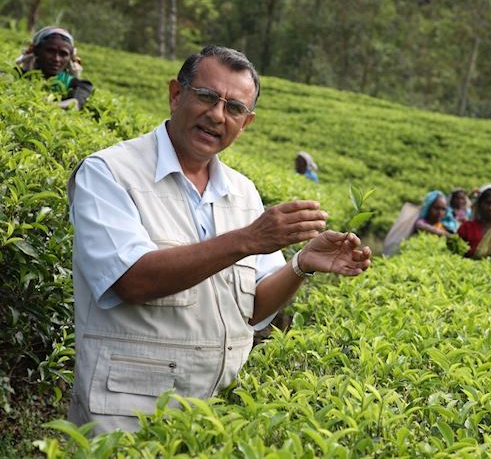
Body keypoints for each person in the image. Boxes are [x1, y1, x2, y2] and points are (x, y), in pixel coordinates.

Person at [66, 46, 372, 434]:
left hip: (210, 417)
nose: (217, 115)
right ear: (177, 94)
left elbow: (256, 306)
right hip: (125, 412)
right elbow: (131, 280)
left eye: (234, 108)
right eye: (206, 97)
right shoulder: (109, 173)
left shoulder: (243, 193)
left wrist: (301, 264)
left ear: (246, 123)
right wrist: (245, 240)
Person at [15, 26, 94, 110]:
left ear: (70, 59)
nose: (56, 59)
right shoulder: (16, 75)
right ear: (37, 51)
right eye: (50, 51)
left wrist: (43, 105)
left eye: (63, 54)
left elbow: (74, 103)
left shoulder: (80, 85)